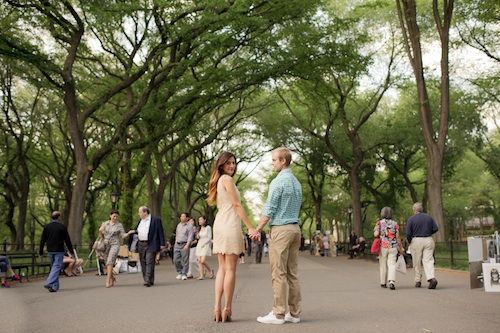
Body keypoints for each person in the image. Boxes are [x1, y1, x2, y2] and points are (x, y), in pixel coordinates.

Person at [252, 147, 302, 325]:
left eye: (274, 160)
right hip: (295, 229)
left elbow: (270, 209)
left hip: (281, 230)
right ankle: (294, 313)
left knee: (278, 273)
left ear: (283, 161)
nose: (272, 163)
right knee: (292, 274)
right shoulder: (296, 182)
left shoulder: (278, 182)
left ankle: (278, 313)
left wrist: (257, 228)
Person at [207, 151, 256, 322]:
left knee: (222, 268)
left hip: (220, 223)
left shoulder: (219, 180)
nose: (232, 166)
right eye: (228, 163)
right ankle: (227, 308)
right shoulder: (227, 179)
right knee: (230, 269)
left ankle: (216, 308)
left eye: (234, 163)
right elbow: (236, 204)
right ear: (221, 164)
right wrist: (251, 227)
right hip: (230, 224)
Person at [39, 211, 74, 292]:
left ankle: (54, 287)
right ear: (59, 217)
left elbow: (42, 240)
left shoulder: (47, 227)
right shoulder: (62, 227)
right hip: (59, 250)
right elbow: (67, 240)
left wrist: (40, 251)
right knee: (56, 267)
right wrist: (71, 251)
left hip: (50, 250)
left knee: (54, 268)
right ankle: (49, 282)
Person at [406, 202, 439, 289]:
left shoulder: (411, 219)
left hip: (416, 240)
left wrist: (410, 241)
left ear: (414, 210)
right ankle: (431, 278)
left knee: (417, 261)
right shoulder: (429, 217)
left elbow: (408, 233)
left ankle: (418, 281)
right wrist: (428, 233)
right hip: (428, 239)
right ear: (422, 209)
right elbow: (435, 228)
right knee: (428, 260)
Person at [99, 210, 135, 288]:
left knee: (110, 261)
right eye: (114, 216)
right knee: (106, 262)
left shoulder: (119, 225)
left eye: (116, 216)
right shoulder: (105, 223)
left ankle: (108, 281)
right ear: (110, 216)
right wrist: (101, 233)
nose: (115, 218)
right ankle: (112, 277)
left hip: (115, 244)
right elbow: (101, 233)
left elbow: (123, 235)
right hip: (106, 244)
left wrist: (128, 233)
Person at [134, 206, 166, 287]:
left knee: (149, 261)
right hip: (141, 244)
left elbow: (160, 232)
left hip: (151, 243)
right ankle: (148, 279)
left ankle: (147, 279)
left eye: (140, 212)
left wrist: (162, 244)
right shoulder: (140, 221)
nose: (139, 214)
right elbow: (136, 231)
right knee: (143, 262)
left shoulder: (155, 220)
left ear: (145, 212)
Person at [374, 207, 403, 290]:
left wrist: (379, 232)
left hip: (383, 246)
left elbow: (376, 234)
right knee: (392, 264)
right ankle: (391, 281)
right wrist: (400, 248)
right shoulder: (395, 224)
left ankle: (383, 282)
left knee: (383, 265)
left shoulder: (379, 223)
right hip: (393, 247)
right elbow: (398, 237)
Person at [173, 212, 195, 281]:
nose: (181, 218)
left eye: (183, 216)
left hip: (185, 244)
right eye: (181, 216)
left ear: (187, 218)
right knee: (175, 260)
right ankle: (179, 271)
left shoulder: (189, 226)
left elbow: (190, 236)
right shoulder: (178, 225)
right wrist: (176, 241)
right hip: (177, 244)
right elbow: (177, 234)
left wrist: (187, 245)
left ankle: (184, 274)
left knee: (185, 260)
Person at [196, 215, 214, 280]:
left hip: (206, 245)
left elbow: (209, 237)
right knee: (199, 261)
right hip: (199, 244)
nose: (200, 221)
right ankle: (201, 275)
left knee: (202, 260)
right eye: (199, 220)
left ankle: (210, 270)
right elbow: (198, 237)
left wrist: (204, 243)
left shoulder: (208, 228)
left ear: (205, 220)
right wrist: (197, 235)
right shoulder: (199, 228)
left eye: (201, 220)